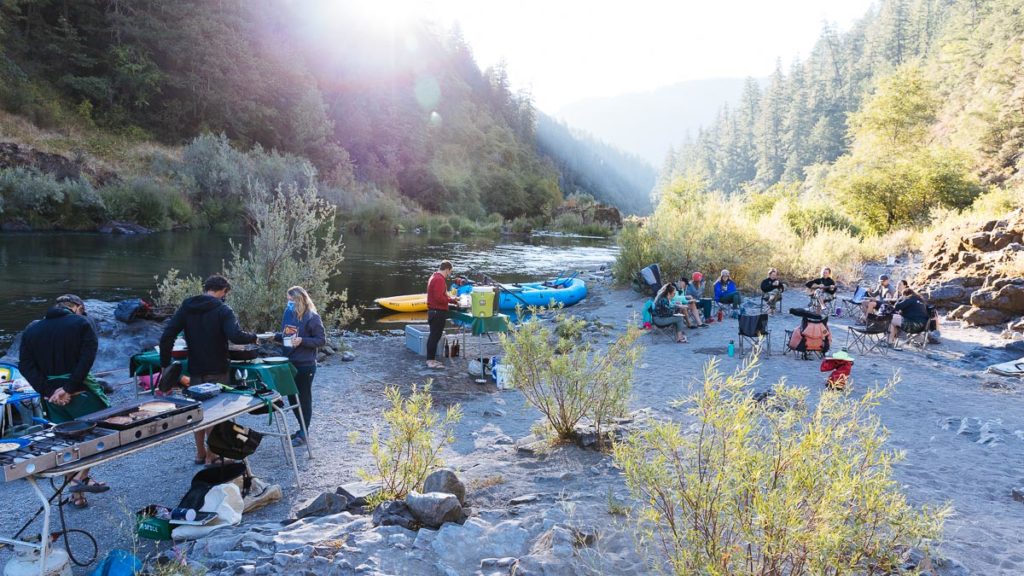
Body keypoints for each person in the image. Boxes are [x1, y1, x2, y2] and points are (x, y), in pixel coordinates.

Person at [19, 294, 110, 507]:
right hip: (81, 394)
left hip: (51, 398)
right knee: (102, 435)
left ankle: (76, 495)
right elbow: (87, 358)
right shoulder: (82, 323)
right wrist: (68, 388)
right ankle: (79, 480)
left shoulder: (32, 329)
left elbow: (25, 365)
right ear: (77, 307)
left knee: (68, 443)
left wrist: (48, 391)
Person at [160, 275, 257, 464]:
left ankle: (200, 453)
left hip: (196, 368)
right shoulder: (223, 309)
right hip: (218, 367)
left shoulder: (187, 307)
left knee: (199, 411)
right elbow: (235, 336)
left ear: (206, 288)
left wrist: (165, 364)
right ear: (223, 291)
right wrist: (253, 337)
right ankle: (213, 455)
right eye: (224, 294)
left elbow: (167, 335)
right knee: (218, 412)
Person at [277, 286, 325, 447]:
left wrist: (303, 341)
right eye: (287, 300)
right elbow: (286, 335)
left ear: (300, 300)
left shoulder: (313, 317)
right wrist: (273, 337)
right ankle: (301, 429)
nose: (288, 303)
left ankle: (304, 433)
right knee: (292, 397)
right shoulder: (288, 314)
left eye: (291, 300)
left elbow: (321, 340)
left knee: (304, 398)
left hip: (306, 365)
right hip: (289, 362)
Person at [426, 260, 459, 369]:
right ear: (447, 269)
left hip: (433, 311)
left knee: (434, 335)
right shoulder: (439, 279)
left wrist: (450, 299)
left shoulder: (434, 276)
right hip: (437, 312)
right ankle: (430, 361)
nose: (449, 274)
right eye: (450, 271)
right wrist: (451, 300)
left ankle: (431, 359)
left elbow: (439, 296)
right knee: (434, 336)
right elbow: (439, 298)